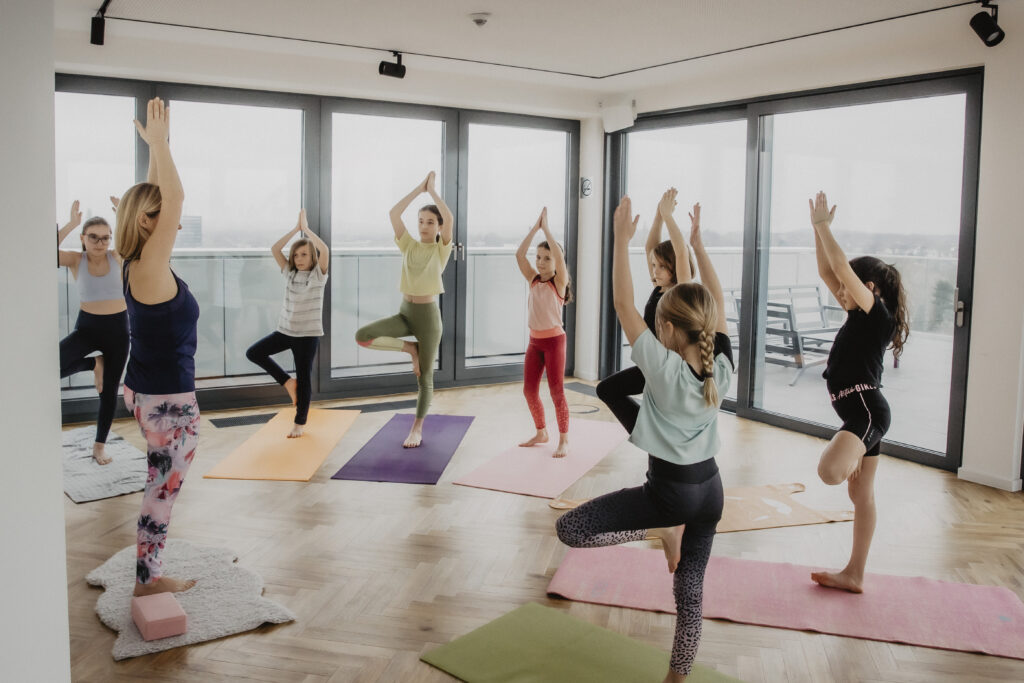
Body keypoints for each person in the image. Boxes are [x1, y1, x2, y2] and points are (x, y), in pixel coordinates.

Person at [556, 197, 733, 683]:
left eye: (660, 326)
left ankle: (658, 529)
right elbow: (714, 299)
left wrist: (619, 240)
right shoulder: (722, 367)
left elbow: (621, 303)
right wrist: (695, 245)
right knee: (691, 592)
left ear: (670, 330)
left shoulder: (664, 369)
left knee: (571, 530)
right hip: (712, 495)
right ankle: (677, 677)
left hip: (669, 495)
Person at [115, 97, 199, 596]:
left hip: (147, 390)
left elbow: (158, 196)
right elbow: (174, 197)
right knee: (161, 493)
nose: (174, 218)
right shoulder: (147, 266)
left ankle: (150, 572)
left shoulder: (138, 260)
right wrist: (163, 144)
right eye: (162, 215)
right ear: (148, 221)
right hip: (166, 402)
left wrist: (153, 151)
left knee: (159, 484)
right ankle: (149, 581)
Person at [807, 191, 909, 594]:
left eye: (848, 285)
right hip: (863, 415)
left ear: (867, 287)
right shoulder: (857, 313)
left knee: (831, 472)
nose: (838, 291)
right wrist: (817, 232)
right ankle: (855, 574)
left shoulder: (875, 316)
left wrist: (824, 227)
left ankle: (855, 572)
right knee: (861, 495)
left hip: (866, 413)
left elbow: (840, 272)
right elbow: (828, 272)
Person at [355, 171, 453, 448]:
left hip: (428, 318)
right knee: (363, 335)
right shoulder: (408, 244)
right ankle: (411, 349)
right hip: (404, 313)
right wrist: (418, 190)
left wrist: (433, 191)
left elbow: (451, 219)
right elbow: (394, 213)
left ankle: (417, 429)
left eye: (430, 222)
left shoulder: (441, 250)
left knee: (425, 376)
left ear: (438, 226)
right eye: (421, 221)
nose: (424, 226)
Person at [596, 188, 695, 431]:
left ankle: (651, 433)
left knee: (608, 390)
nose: (654, 271)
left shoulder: (681, 292)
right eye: (653, 265)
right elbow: (651, 246)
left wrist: (668, 217)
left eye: (662, 266)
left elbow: (681, 252)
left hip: (667, 370)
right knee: (607, 390)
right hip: (651, 365)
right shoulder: (659, 286)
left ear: (674, 267)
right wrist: (659, 216)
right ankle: (650, 432)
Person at [245, 209, 329, 438]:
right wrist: (295, 229)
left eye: (304, 255)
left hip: (307, 335)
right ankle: (286, 382)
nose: (299, 259)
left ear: (312, 257)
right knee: (253, 353)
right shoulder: (289, 272)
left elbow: (325, 250)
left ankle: (299, 423)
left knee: (304, 378)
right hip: (285, 331)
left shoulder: (318, 276)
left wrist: (307, 230)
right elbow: (275, 249)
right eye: (296, 255)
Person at [56, 200, 129, 464]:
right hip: (87, 327)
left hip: (118, 330)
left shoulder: (117, 256)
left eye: (105, 238)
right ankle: (92, 363)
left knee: (108, 391)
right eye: (94, 237)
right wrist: (72, 224)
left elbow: (135, 241)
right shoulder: (77, 260)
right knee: (52, 366)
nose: (100, 243)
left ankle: (99, 446)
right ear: (83, 238)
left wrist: (123, 216)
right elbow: (45, 249)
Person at [515, 207, 572, 457]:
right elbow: (519, 255)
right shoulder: (534, 279)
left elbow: (559, 258)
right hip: (534, 343)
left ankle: (564, 439)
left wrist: (547, 229)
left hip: (554, 342)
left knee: (556, 391)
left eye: (546, 258)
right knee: (529, 390)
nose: (540, 262)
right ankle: (541, 431)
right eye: (538, 257)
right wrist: (534, 229)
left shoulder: (558, 283)